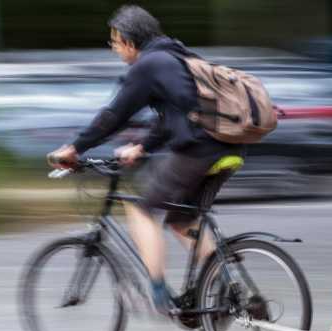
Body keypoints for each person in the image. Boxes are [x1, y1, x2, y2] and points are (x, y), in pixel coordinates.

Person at [48, 5, 244, 315]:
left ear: (127, 40)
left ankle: (159, 293)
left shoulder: (148, 65)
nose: (114, 49)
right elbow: (176, 116)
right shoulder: (179, 57)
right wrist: (142, 146)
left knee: (140, 210)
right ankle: (225, 289)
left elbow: (115, 114)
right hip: (229, 146)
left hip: (200, 149)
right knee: (182, 221)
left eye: (114, 42)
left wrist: (75, 148)